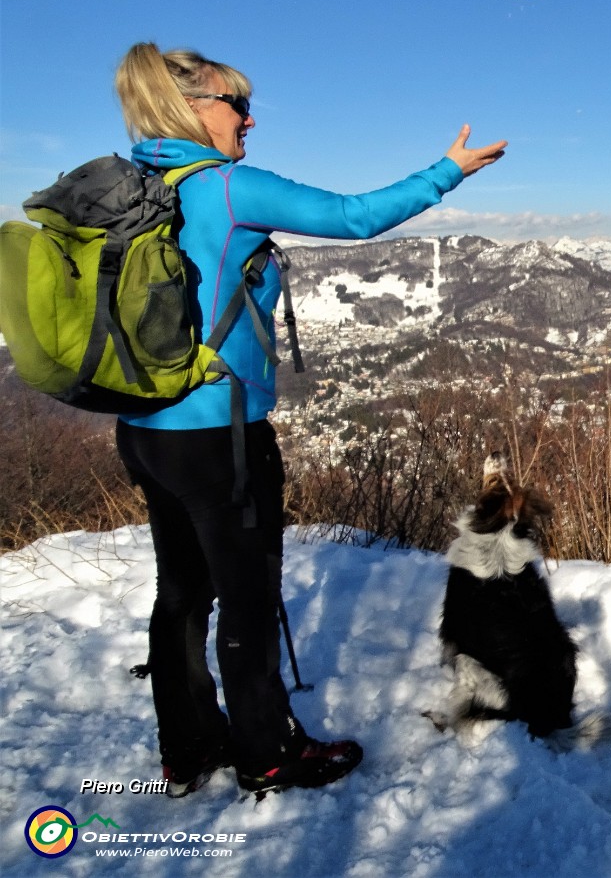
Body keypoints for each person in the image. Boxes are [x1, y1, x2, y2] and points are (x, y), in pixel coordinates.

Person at [111, 42, 506, 796]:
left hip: (143, 430)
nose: (249, 119)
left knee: (180, 593)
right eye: (237, 105)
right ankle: (266, 752)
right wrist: (446, 171)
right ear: (193, 108)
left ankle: (188, 746)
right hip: (218, 433)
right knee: (248, 597)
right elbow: (352, 217)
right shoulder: (224, 188)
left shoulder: (132, 186)